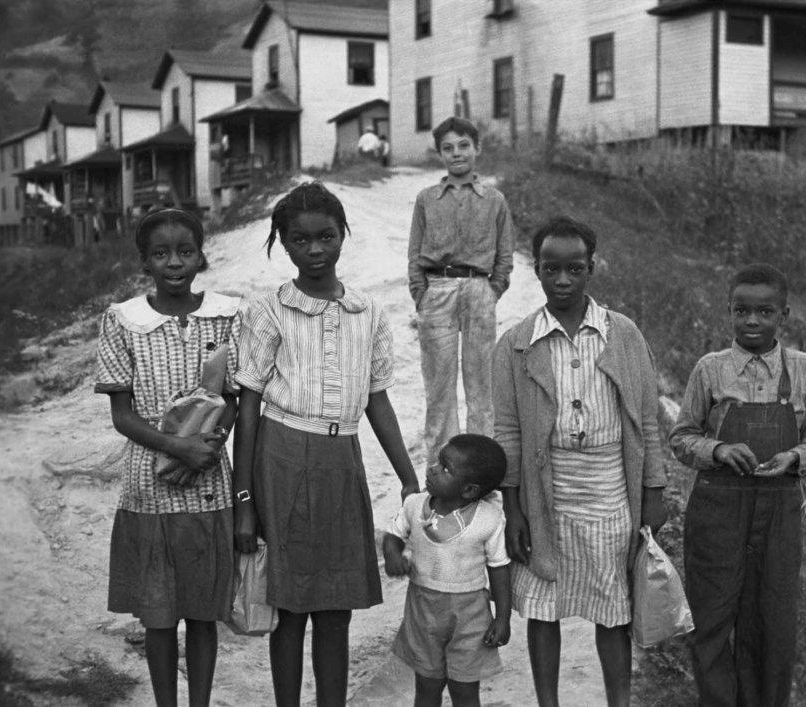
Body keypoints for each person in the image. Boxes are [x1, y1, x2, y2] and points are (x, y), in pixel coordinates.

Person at [232, 181, 420, 706]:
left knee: (336, 609)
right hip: (282, 458)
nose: (315, 250)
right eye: (300, 240)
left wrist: (408, 477)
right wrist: (243, 501)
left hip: (343, 463)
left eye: (326, 237)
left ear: (343, 235)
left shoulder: (368, 312)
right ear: (283, 243)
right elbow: (247, 407)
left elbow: (377, 399)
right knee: (290, 607)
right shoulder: (269, 310)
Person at [492, 216, 667, 707]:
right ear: (536, 270)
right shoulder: (517, 344)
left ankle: (619, 701)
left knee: (613, 610)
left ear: (592, 267)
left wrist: (653, 494)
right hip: (546, 494)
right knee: (544, 609)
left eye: (575, 269)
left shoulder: (623, 335)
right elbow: (508, 433)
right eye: (551, 269)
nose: (563, 280)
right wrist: (514, 509)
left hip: (611, 494)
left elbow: (646, 420)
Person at [669, 262, 806, 707]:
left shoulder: (803, 369)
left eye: (765, 312)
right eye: (741, 311)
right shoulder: (710, 369)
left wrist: (795, 457)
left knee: (771, 621)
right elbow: (681, 437)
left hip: (779, 510)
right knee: (711, 617)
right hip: (718, 511)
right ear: (729, 311)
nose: (752, 321)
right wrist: (718, 450)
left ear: (784, 315)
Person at [95, 207, 241, 707]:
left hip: (209, 481)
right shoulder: (123, 321)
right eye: (161, 253)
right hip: (149, 487)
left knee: (202, 613)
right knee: (158, 616)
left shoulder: (227, 315)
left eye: (185, 251)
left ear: (201, 256)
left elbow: (234, 398)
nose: (174, 262)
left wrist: (210, 444)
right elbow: (123, 415)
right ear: (145, 262)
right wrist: (177, 447)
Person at [408, 116, 515, 466]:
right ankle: (441, 469)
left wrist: (492, 289)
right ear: (440, 154)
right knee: (439, 387)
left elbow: (505, 255)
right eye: (448, 148)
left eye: (464, 146)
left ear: (477, 148)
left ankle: (480, 470)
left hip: (479, 290)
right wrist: (421, 293)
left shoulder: (494, 200)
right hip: (437, 290)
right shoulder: (426, 199)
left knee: (481, 387)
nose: (457, 154)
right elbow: (414, 252)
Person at [383, 433, 512, 707]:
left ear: (469, 490)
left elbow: (499, 569)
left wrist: (503, 618)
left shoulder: (488, 519)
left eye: (445, 468)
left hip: (470, 615)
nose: (432, 469)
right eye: (437, 462)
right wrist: (393, 555)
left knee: (464, 691)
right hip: (423, 611)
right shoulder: (415, 504)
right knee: (427, 687)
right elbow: (393, 535)